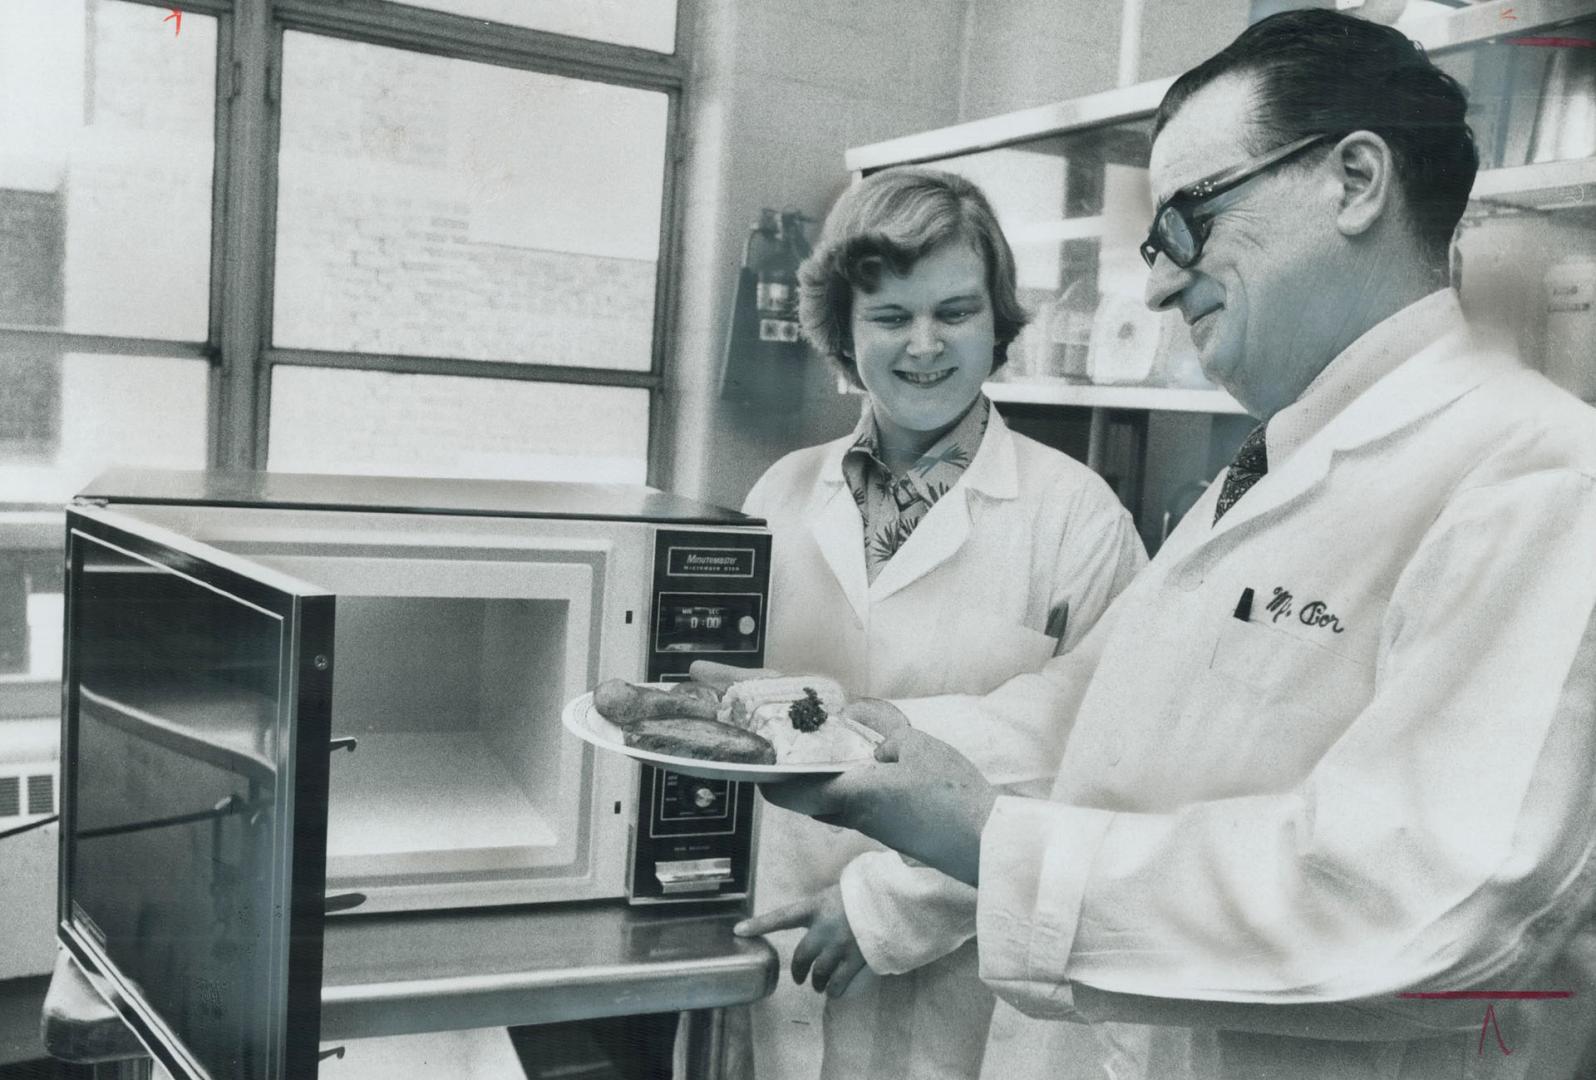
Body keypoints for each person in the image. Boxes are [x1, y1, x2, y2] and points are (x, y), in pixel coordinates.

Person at [743, 11, 1596, 1080]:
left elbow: (1429, 903)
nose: (1154, 283)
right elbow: (1084, 711)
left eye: (1185, 220)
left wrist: (992, 843)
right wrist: (834, 735)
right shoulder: (1273, 469)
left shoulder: (1540, 474)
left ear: (1355, 181)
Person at [730, 166, 1147, 1080]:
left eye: (955, 311)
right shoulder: (778, 495)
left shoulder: (1079, 517)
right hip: (789, 941)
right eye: (889, 317)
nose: (924, 346)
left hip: (976, 977)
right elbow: (749, 724)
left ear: (998, 320)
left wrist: (888, 908)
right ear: (844, 330)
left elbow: (1095, 763)